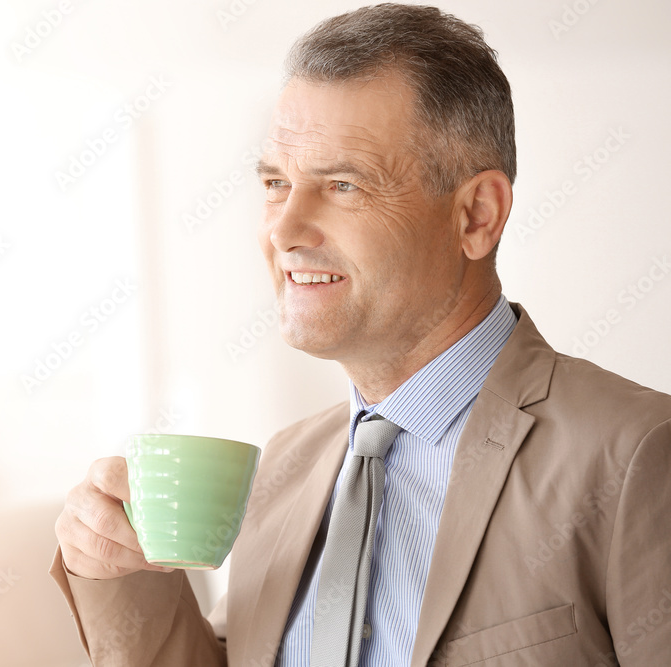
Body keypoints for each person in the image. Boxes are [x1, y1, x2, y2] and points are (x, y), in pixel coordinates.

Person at [50, 4, 671, 665]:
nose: (284, 230)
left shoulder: (637, 456)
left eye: (342, 184)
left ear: (476, 215)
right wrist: (121, 574)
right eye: (275, 183)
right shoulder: (282, 467)